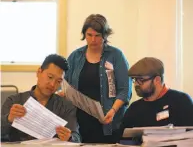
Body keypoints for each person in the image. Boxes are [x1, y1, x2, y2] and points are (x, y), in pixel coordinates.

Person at [64, 14, 132, 143]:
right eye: (89, 35)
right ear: (84, 34)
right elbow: (65, 83)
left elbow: (124, 90)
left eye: (97, 36)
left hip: (109, 119)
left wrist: (113, 110)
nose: (93, 40)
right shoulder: (75, 56)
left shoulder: (116, 55)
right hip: (80, 121)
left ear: (105, 35)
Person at [1, 54, 81, 142]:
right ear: (39, 72)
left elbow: (76, 137)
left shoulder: (66, 106)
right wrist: (9, 118)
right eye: (50, 77)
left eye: (58, 81)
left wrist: (69, 137)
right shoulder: (14, 101)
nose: (52, 84)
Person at [119, 57, 193, 139]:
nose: (136, 84)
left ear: (157, 80)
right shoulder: (134, 108)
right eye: (134, 80)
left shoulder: (182, 101)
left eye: (141, 80)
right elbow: (122, 139)